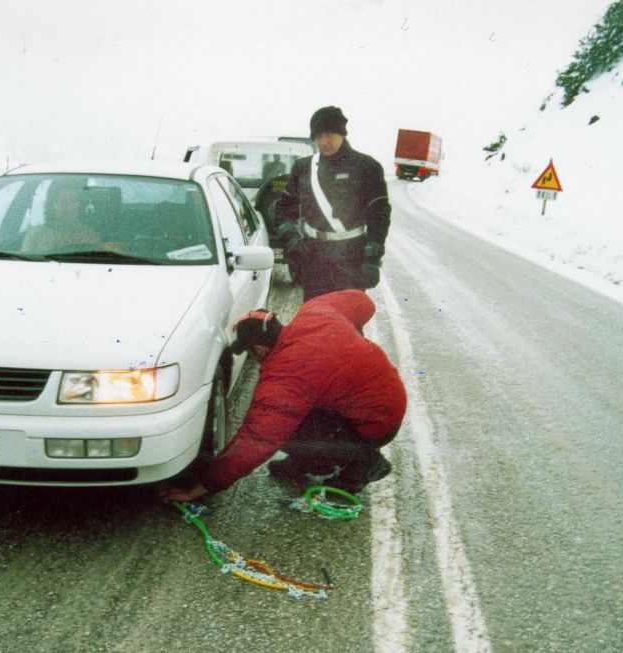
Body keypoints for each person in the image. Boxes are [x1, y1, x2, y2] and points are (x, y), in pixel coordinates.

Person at [159, 290, 406, 503]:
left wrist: (202, 486)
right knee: (297, 415)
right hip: (387, 399)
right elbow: (363, 302)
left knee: (284, 431)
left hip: (376, 424)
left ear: (259, 349)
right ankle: (309, 462)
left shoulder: (286, 376)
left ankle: (362, 464)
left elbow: (256, 440)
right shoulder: (316, 312)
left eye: (250, 353)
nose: (253, 359)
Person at [276, 106, 392, 299]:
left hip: (350, 259)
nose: (323, 142)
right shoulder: (303, 168)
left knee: (347, 324)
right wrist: (292, 241)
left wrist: (372, 259)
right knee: (315, 321)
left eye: (329, 135)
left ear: (342, 133)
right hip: (312, 258)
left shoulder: (366, 167)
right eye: (318, 137)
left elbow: (379, 216)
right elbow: (284, 209)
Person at [21, 184, 102, 253]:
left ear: (79, 204)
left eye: (73, 201)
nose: (70, 207)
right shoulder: (35, 234)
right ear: (53, 205)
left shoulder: (88, 235)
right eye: (64, 202)